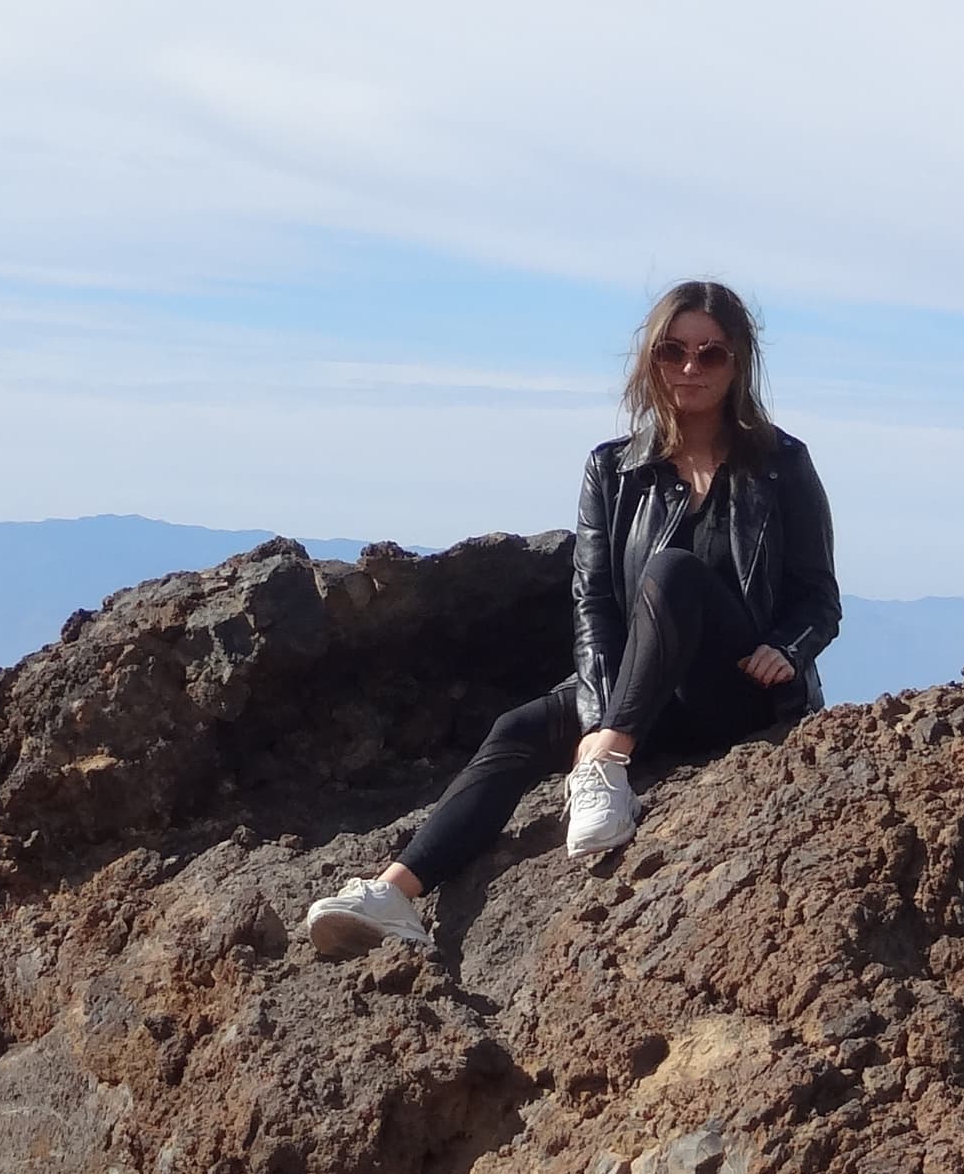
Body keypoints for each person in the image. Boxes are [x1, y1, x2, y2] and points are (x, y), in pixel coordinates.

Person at [305, 279, 840, 953]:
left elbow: (819, 596)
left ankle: (605, 765)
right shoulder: (614, 470)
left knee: (672, 571)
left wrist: (786, 646)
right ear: (650, 361)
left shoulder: (782, 466)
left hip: (741, 690)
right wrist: (597, 713)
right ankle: (394, 894)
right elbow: (594, 603)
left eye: (712, 354)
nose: (690, 369)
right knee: (518, 727)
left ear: (740, 364)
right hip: (648, 694)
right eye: (673, 352)